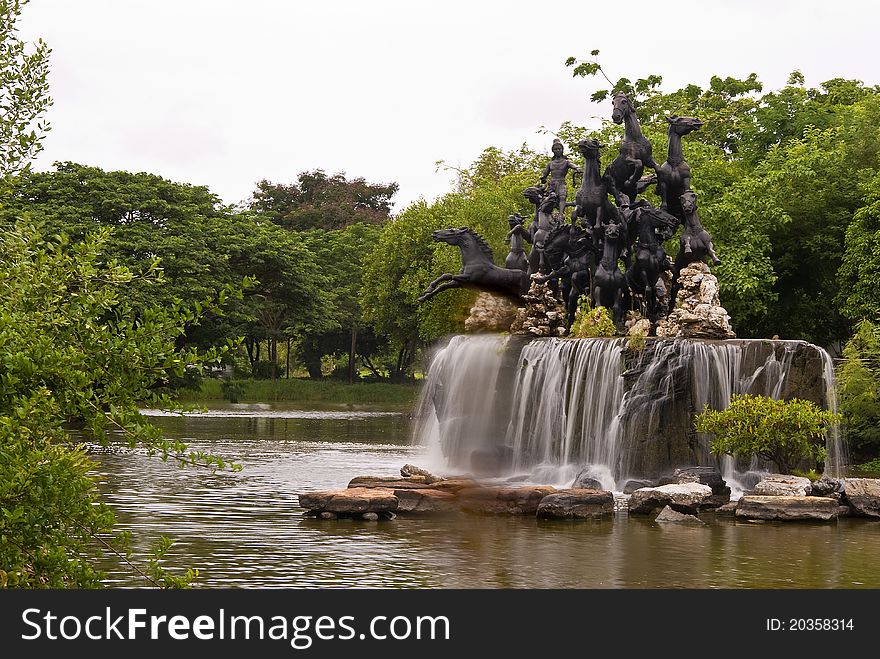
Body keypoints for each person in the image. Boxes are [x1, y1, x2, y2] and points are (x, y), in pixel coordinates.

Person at [540, 138, 581, 220]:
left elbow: (573, 165)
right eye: (556, 149)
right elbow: (544, 174)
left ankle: (561, 214)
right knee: (550, 200)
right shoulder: (550, 164)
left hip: (561, 182)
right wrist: (543, 178)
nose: (558, 150)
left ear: (562, 150)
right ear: (553, 151)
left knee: (562, 197)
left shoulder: (566, 162)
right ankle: (547, 216)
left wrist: (577, 168)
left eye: (559, 149)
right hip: (552, 184)